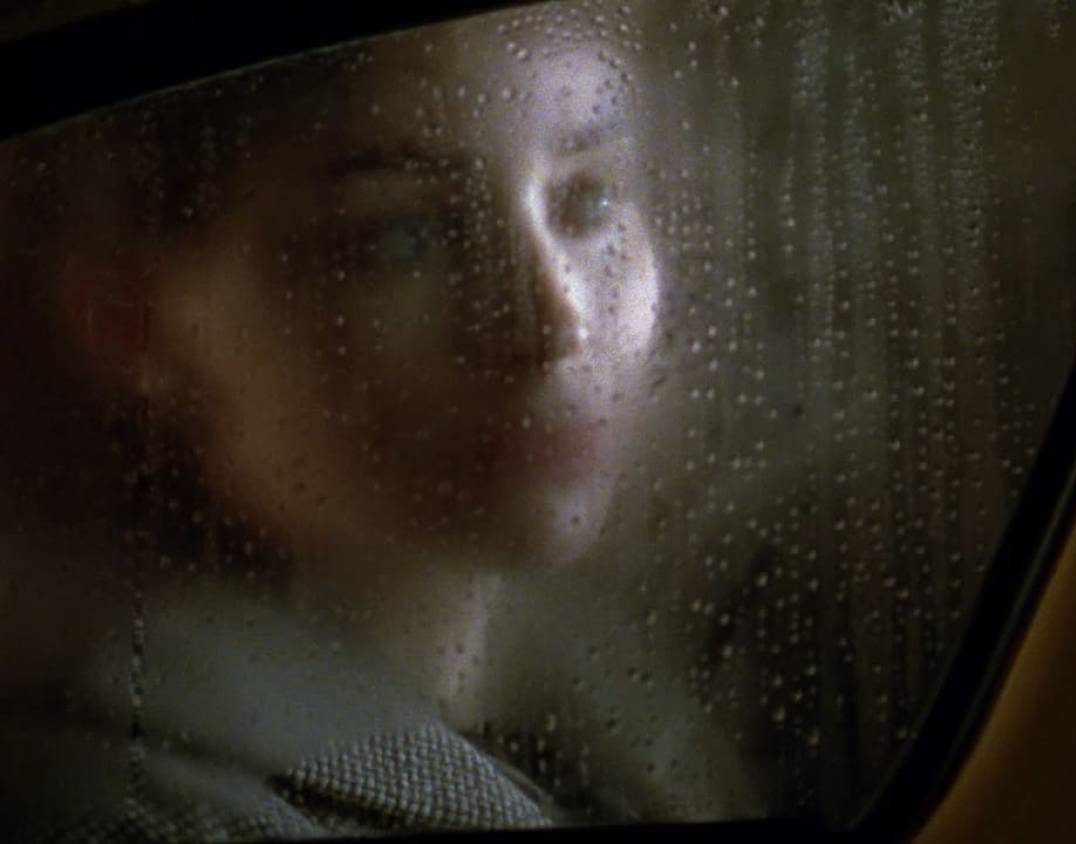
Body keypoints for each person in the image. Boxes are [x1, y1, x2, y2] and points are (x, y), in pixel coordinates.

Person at [0, 3, 758, 839]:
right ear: (135, 324)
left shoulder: (626, 694)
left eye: (589, 200)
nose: (556, 321)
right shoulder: (129, 809)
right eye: (403, 238)